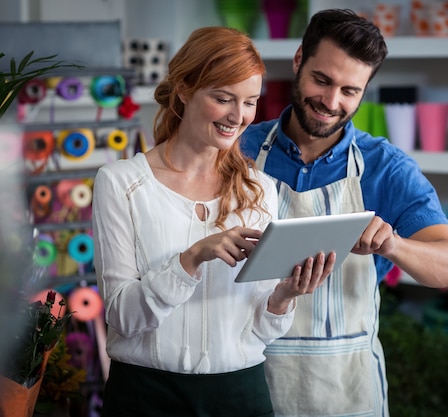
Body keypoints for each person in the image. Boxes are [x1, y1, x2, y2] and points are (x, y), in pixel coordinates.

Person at [240, 8, 448, 417]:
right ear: (298, 61)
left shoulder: (385, 167)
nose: (331, 102)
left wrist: (395, 245)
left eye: (350, 90)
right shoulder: (240, 152)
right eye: (322, 80)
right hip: (248, 380)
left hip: (347, 391)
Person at [92, 26, 335, 417]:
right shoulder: (121, 184)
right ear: (185, 89)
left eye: (250, 102)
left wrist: (284, 296)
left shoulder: (258, 189)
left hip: (241, 393)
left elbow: (258, 330)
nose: (238, 117)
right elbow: (123, 317)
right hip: (146, 395)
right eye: (223, 98)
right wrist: (191, 259)